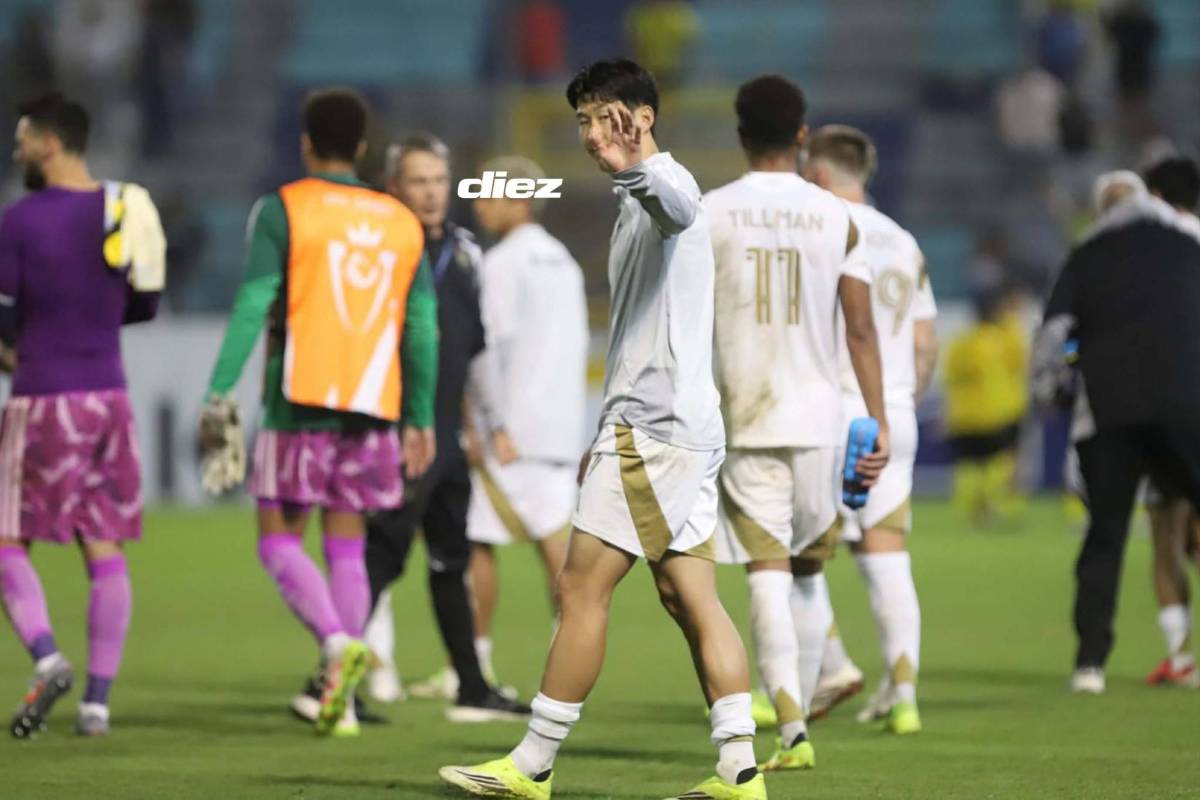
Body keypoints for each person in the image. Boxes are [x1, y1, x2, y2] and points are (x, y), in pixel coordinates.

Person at [440, 58, 769, 800]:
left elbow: (679, 205)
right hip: (671, 425)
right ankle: (739, 767)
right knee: (692, 596)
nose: (591, 134)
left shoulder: (665, 185)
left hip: (654, 428)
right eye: (583, 121)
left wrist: (635, 169)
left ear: (642, 118)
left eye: (602, 117)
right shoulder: (635, 201)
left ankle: (531, 764)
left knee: (582, 585)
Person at [198, 88, 438, 736]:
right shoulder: (399, 220)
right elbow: (421, 326)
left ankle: (336, 643)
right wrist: (420, 414)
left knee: (277, 539)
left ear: (306, 142)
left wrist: (219, 391)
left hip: (300, 400)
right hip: (373, 405)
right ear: (362, 146)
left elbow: (254, 301)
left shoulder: (284, 208)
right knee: (347, 549)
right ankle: (346, 695)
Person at [702, 81, 889, 771]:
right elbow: (862, 328)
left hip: (747, 417)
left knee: (768, 574)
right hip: (823, 418)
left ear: (741, 133)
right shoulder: (838, 217)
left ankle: (791, 732)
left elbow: (689, 320)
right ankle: (811, 699)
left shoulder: (711, 212)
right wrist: (880, 421)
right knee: (808, 571)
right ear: (802, 134)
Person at [331, 133, 530, 723]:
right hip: (397, 428)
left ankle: (471, 685)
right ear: (394, 187)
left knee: (450, 560)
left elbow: (475, 352)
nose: (431, 192)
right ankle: (328, 678)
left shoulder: (466, 254)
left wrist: (493, 423)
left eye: (439, 181)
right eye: (418, 181)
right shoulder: (376, 252)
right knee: (382, 557)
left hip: (446, 431)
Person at [0, 92, 165, 738]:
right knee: (104, 546)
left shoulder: (18, 222)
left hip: (42, 395)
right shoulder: (129, 205)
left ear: (49, 143)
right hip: (109, 397)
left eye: (21, 138)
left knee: (7, 538)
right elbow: (146, 303)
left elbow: (4, 317)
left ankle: (46, 657)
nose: (16, 150)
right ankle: (97, 703)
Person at [1031, 160, 1200, 695]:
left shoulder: (1085, 255)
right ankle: (1178, 653)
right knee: (1181, 531)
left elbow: (1053, 335)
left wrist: (1050, 392)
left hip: (1108, 414)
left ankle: (1090, 665)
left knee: (1106, 537)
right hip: (1183, 407)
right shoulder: (1187, 247)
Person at [801, 125, 939, 731]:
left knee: (785, 552)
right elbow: (926, 342)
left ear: (822, 175)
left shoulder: (822, 232)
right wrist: (900, 407)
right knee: (887, 560)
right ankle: (903, 694)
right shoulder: (905, 242)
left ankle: (828, 667)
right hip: (894, 417)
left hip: (831, 412)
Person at [465, 154, 588, 694]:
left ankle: (473, 663)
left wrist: (484, 422)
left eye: (489, 193)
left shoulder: (501, 265)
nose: (478, 203)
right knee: (555, 547)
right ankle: (572, 654)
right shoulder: (564, 260)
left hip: (511, 428)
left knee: (476, 541)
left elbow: (486, 349)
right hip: (559, 424)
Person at [1138, 156, 1200, 688]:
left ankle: (1180, 657)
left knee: (1166, 532)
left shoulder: (1150, 252)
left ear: (1155, 196)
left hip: (1171, 405)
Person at [942, 286, 1028, 527]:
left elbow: (949, 377)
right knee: (998, 463)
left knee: (968, 465)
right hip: (995, 413)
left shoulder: (959, 342)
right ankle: (996, 508)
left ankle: (971, 512)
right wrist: (1012, 318)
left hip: (962, 415)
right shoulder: (1000, 339)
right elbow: (1021, 361)